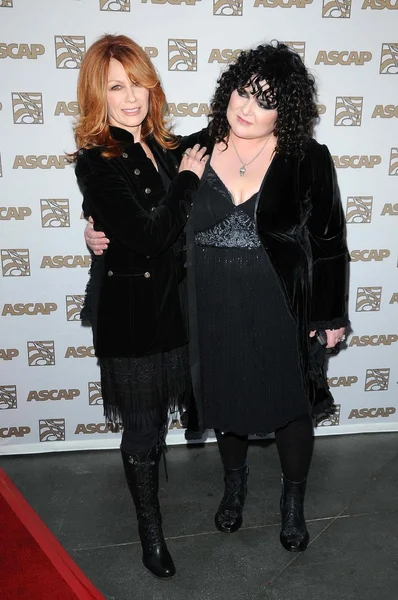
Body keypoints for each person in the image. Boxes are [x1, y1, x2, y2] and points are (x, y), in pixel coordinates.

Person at [85, 42, 349, 554]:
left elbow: (329, 241)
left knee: (291, 406)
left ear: (286, 110)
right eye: (242, 92)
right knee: (224, 399)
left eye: (265, 100)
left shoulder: (307, 159)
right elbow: (132, 202)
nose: (247, 108)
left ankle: (292, 502)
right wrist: (93, 231)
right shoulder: (191, 149)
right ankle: (234, 485)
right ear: (228, 91)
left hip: (282, 305)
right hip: (208, 303)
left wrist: (330, 313)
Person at [73, 34, 207, 579]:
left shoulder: (166, 147)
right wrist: (186, 183)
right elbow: (149, 235)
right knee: (145, 430)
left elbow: (219, 134)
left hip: (178, 311)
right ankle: (150, 531)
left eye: (139, 83)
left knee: (169, 420)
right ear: (97, 95)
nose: (132, 98)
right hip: (131, 319)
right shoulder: (95, 162)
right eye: (117, 87)